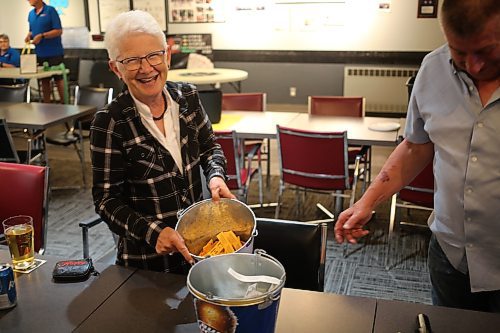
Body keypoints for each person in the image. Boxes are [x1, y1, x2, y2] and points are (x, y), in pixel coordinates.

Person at [335, 0, 500, 313]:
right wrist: (366, 202)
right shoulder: (433, 69)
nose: (474, 66)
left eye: (486, 50)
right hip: (449, 254)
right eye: (459, 52)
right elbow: (416, 145)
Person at [91, 10, 235, 273]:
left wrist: (216, 176)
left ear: (167, 54)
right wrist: (153, 232)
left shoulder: (188, 97)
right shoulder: (110, 122)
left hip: (198, 250)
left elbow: (210, 147)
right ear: (116, 68)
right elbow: (106, 200)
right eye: (132, 60)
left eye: (154, 55)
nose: (146, 68)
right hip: (146, 265)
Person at [25, 0, 65, 103]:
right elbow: (32, 30)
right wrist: (29, 35)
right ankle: (47, 105)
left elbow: (59, 30)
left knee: (58, 78)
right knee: (44, 80)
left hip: (54, 52)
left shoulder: (50, 10)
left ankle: (64, 104)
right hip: (40, 52)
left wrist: (42, 35)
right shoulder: (31, 14)